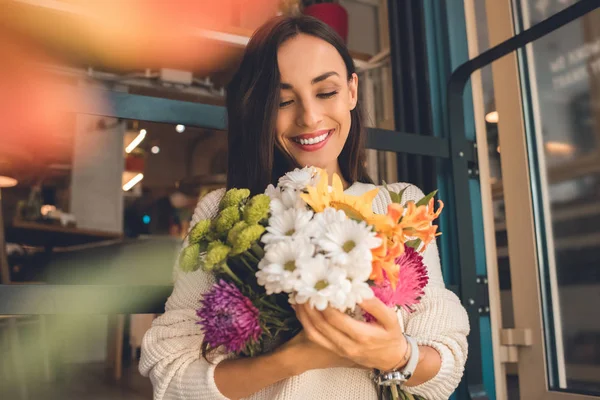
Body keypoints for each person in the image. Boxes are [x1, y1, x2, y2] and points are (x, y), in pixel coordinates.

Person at [140, 15, 469, 400]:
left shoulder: (400, 207)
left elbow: (447, 363)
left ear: (352, 91)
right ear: (260, 109)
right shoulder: (223, 214)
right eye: (283, 101)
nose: (309, 117)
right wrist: (296, 358)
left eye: (326, 92)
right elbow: (170, 374)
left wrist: (396, 355)